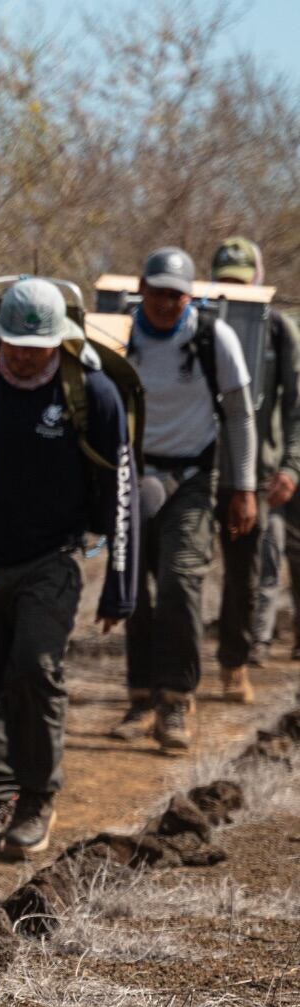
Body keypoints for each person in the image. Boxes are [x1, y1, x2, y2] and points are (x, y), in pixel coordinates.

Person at [0, 278, 138, 856]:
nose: (23, 354)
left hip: (52, 559)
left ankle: (38, 796)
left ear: (59, 341)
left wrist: (119, 587)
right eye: (13, 342)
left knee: (34, 668)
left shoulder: (92, 393)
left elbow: (121, 491)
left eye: (35, 345)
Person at [111, 247, 257, 749]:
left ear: (189, 297)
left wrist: (243, 488)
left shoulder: (213, 337)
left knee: (179, 580)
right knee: (134, 590)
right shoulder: (121, 336)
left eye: (176, 295)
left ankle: (175, 700)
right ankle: (139, 699)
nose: (166, 304)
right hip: (133, 477)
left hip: (193, 478)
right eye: (157, 292)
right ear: (141, 289)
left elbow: (239, 415)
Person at [207, 238, 300, 672]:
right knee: (181, 574)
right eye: (226, 283)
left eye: (242, 283)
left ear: (259, 281)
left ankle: (241, 656)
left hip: (256, 473)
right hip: (198, 468)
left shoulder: (279, 330)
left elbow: (296, 406)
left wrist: (291, 465)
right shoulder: (197, 325)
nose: (235, 291)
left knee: (251, 569)